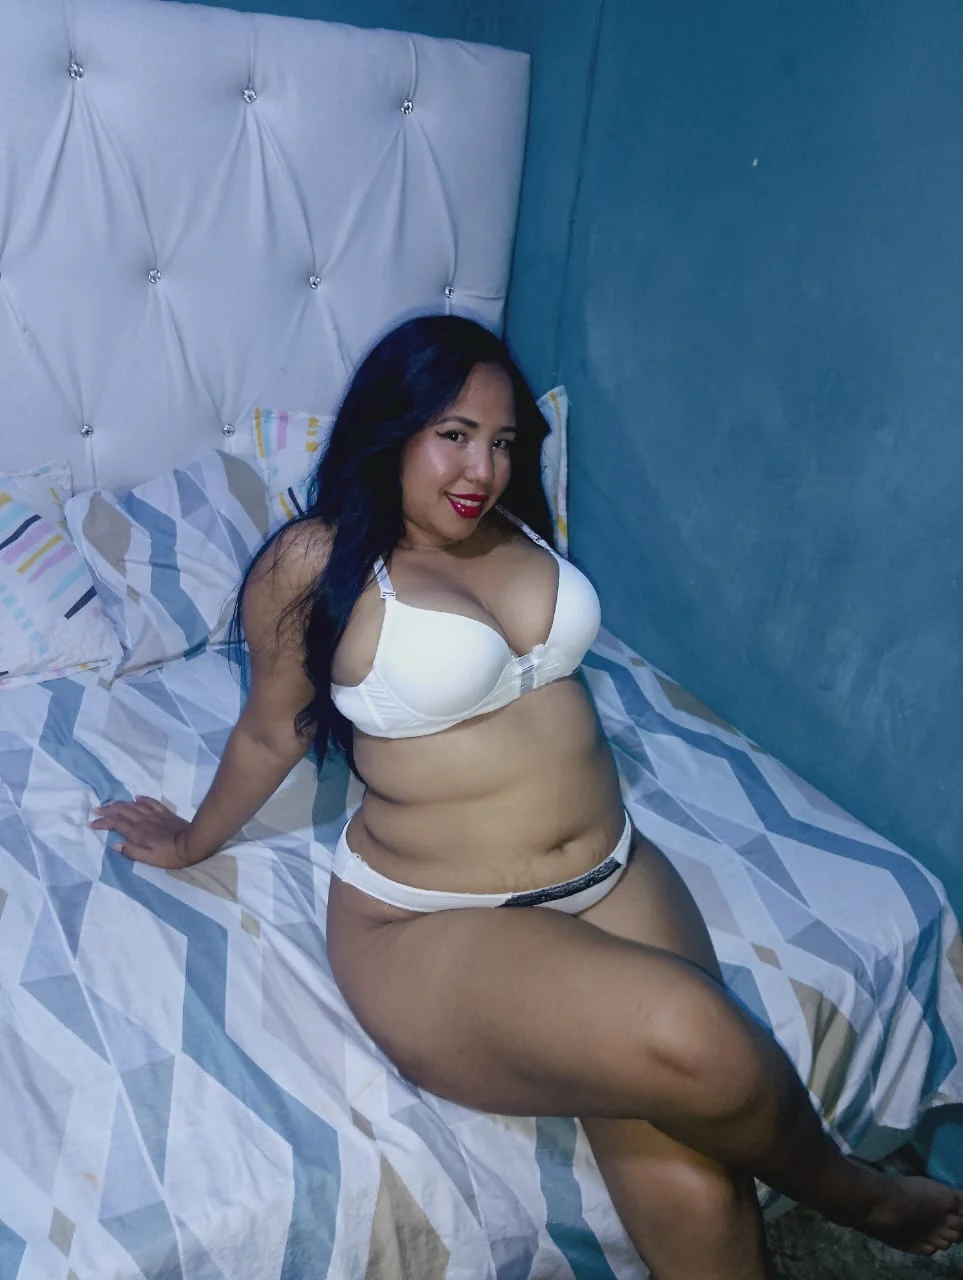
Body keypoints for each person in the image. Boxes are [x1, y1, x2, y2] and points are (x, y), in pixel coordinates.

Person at [92, 315, 963, 1278]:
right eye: (454, 435)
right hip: (432, 921)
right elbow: (270, 729)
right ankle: (860, 1196)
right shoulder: (313, 560)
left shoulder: (503, 520)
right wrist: (190, 840)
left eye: (503, 442)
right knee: (697, 1040)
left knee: (694, 1164)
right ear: (391, 428)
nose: (484, 469)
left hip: (611, 868)